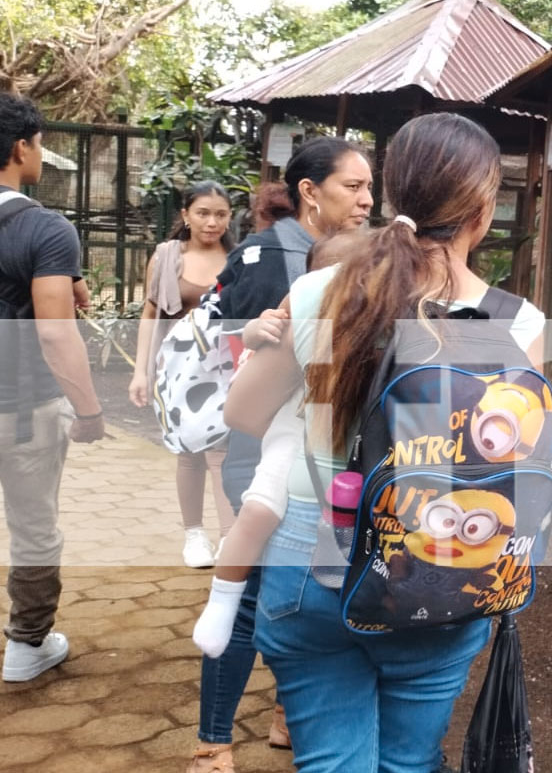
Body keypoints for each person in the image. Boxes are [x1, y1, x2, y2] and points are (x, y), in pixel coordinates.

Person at [223, 113, 544, 773]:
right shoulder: (516, 323)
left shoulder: (319, 291)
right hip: (435, 562)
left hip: (305, 554)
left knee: (332, 762)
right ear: (483, 209)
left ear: (395, 194)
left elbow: (245, 413)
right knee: (408, 761)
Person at [187, 137, 373, 773]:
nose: (366, 200)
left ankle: (284, 717)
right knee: (248, 599)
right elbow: (244, 367)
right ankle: (213, 741)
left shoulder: (341, 257)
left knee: (289, 593)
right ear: (310, 191)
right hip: (264, 450)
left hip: (311, 451)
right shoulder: (272, 255)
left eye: (370, 188)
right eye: (353, 186)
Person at [191, 228, 367, 658]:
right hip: (292, 421)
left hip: (334, 442)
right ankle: (222, 598)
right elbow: (252, 340)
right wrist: (256, 331)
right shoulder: (296, 307)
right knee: (259, 509)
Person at [0, 93, 106, 683]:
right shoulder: (43, 227)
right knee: (34, 523)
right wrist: (88, 411)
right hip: (23, 409)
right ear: (22, 147)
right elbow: (56, 335)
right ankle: (26, 645)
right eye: (40, 142)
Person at [129, 181, 235, 567]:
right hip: (177, 372)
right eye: (203, 213)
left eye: (220, 214)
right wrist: (141, 371)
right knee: (189, 452)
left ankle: (229, 536)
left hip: (225, 370)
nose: (212, 222)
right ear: (186, 215)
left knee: (224, 451)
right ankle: (194, 535)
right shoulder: (166, 256)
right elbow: (149, 315)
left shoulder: (239, 258)